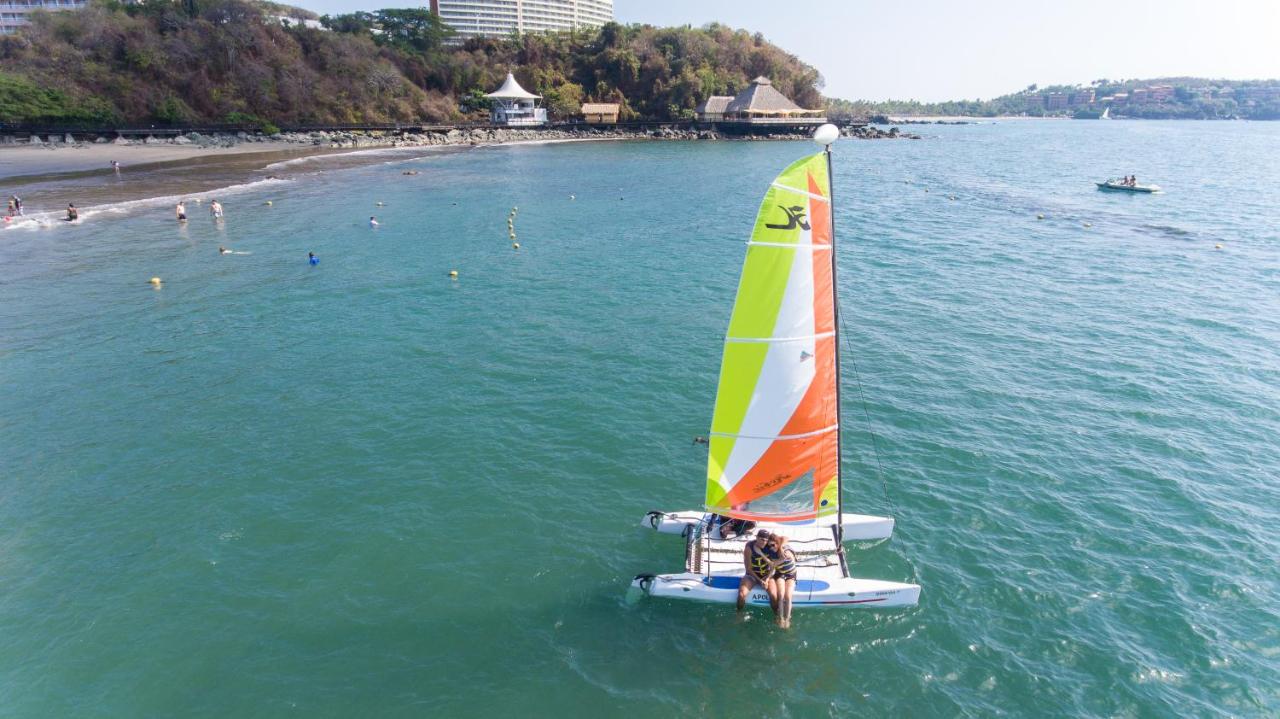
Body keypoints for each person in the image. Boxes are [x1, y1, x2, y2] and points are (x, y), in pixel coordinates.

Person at [737, 529, 779, 613]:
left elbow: (773, 567)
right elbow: (748, 569)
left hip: (766, 575)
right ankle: (739, 614)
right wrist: (760, 581)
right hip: (752, 576)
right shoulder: (749, 547)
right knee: (741, 595)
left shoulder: (770, 546)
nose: (764, 542)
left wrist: (767, 579)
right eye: (762, 539)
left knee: (774, 595)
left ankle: (776, 615)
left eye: (766, 540)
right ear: (756, 537)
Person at [768, 535, 799, 629]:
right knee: (781, 595)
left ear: (778, 544)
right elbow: (773, 566)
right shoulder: (771, 553)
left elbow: (785, 538)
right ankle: (781, 618)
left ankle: (787, 619)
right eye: (769, 546)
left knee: (788, 596)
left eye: (773, 545)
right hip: (780, 574)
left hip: (790, 575)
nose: (771, 547)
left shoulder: (786, 550)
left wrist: (782, 550)